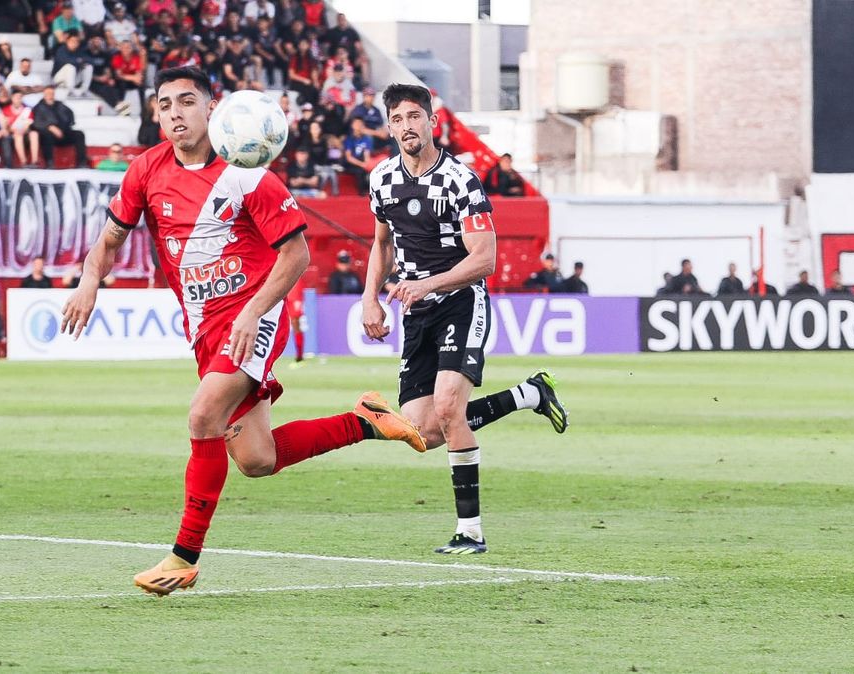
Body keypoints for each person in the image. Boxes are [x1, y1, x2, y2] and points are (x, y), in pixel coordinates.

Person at [59, 66, 427, 597]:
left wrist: (254, 311)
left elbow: (296, 255)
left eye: (187, 101)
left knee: (203, 414)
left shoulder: (248, 171)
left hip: (255, 316)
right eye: (165, 105)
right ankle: (365, 422)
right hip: (206, 328)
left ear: (212, 109)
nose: (175, 113)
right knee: (257, 459)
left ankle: (183, 556)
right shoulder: (145, 170)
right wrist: (88, 281)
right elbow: (111, 239)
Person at [360, 83, 567, 555]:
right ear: (389, 127)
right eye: (398, 119)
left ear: (432, 122)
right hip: (416, 311)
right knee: (424, 434)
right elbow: (382, 244)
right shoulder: (382, 180)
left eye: (416, 116)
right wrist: (369, 298)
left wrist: (429, 283)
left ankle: (469, 531)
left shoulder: (459, 179)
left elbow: (485, 259)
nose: (407, 126)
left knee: (451, 409)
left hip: (459, 300)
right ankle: (528, 394)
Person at [32, 85, 89, 168]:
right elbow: (36, 123)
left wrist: (65, 127)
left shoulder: (60, 105)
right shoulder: (38, 107)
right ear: (44, 95)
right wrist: (50, 127)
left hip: (63, 133)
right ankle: (49, 163)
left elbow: (70, 115)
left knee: (79, 134)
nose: (50, 96)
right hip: (48, 135)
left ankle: (81, 163)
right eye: (48, 93)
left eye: (52, 93)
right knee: (47, 136)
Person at [343, 117, 374, 195]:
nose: (358, 126)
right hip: (351, 163)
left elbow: (367, 154)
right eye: (356, 124)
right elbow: (349, 157)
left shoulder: (367, 138)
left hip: (361, 161)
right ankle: (361, 193)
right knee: (360, 171)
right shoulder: (349, 139)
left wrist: (367, 164)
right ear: (352, 125)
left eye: (360, 124)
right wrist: (362, 164)